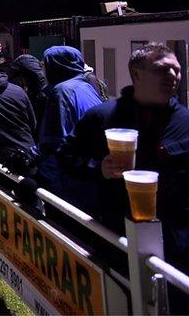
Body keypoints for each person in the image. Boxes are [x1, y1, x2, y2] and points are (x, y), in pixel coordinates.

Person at [58, 44, 189, 309]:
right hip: (118, 240)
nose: (173, 76)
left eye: (177, 69)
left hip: (178, 245)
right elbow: (65, 157)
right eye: (162, 69)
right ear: (136, 74)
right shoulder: (103, 116)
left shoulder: (185, 121)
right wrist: (99, 169)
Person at [37, 46, 104, 207]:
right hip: (92, 177)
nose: (42, 71)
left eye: (44, 65)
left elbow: (56, 142)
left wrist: (42, 175)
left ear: (55, 66)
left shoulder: (61, 91)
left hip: (69, 183)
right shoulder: (87, 87)